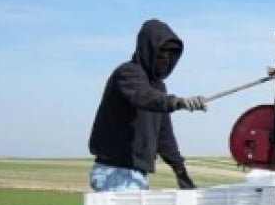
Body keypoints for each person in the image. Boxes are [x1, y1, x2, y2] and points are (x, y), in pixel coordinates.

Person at [88, 18, 207, 192]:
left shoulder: (159, 88)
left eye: (170, 56)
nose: (165, 60)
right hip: (115, 172)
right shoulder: (128, 73)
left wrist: (181, 173)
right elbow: (143, 96)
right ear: (148, 50)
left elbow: (164, 137)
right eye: (160, 54)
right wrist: (178, 102)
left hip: (135, 175)